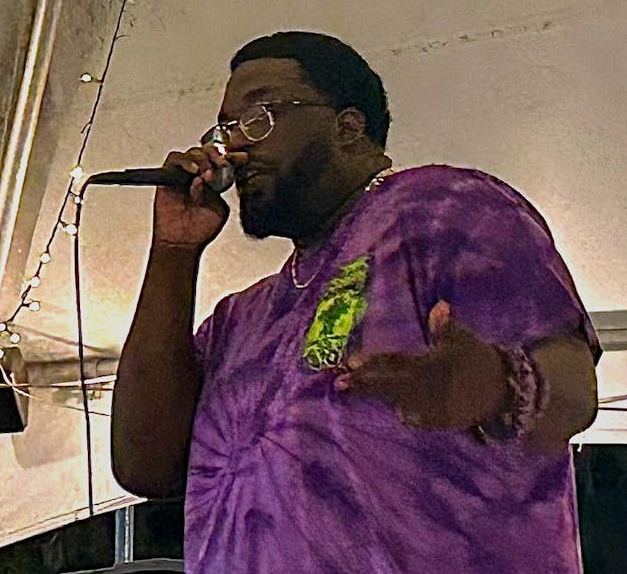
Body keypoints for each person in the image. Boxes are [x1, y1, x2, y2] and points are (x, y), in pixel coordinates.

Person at [110, 31, 601, 573]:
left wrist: (493, 385)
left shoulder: (441, 207)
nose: (233, 149)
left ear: (348, 126)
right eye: (225, 130)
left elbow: (575, 391)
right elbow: (145, 467)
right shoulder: (241, 319)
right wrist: (173, 251)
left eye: (258, 118)